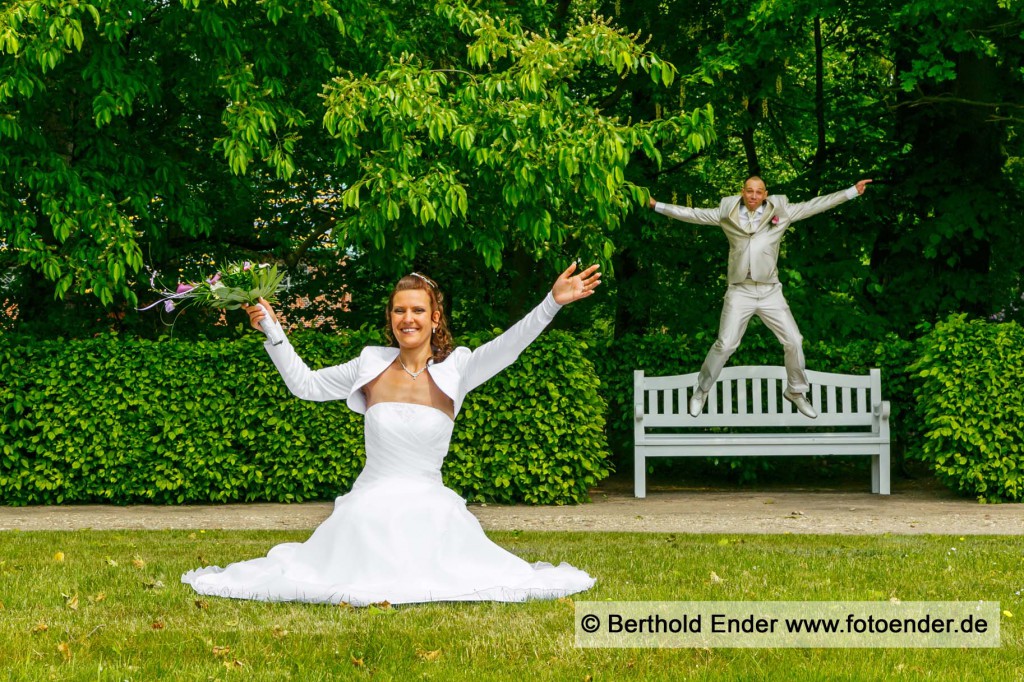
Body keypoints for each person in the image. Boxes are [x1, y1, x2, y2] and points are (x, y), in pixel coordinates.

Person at [181, 264, 601, 605]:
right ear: (390, 319)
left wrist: (552, 303)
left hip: (431, 501)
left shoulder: (459, 368)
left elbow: (510, 345)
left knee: (442, 534)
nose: (408, 319)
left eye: (418, 310)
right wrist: (273, 332)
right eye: (399, 311)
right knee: (364, 524)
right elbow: (305, 385)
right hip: (370, 499)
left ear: (435, 318)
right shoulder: (369, 364)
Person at [648, 176, 872, 419]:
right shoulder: (727, 213)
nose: (753, 196)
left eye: (758, 192)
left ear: (765, 194)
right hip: (739, 290)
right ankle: (702, 389)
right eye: (749, 191)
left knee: (794, 341)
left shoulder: (781, 211)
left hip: (769, 291)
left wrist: (851, 192)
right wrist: (656, 205)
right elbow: (693, 214)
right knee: (725, 344)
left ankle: (796, 391)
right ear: (742, 192)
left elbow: (814, 205)